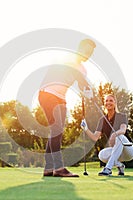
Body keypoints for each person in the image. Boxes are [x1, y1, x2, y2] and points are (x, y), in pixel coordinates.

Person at [39, 39, 96, 177]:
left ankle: (48, 168)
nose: (88, 55)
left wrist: (86, 91)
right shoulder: (67, 58)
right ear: (79, 48)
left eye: (90, 53)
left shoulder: (83, 69)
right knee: (57, 129)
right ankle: (58, 168)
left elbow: (81, 83)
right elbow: (74, 73)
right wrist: (85, 84)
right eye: (86, 51)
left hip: (61, 98)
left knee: (56, 130)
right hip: (47, 93)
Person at [81, 94, 133, 176]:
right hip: (117, 152)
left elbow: (123, 130)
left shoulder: (121, 116)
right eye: (106, 101)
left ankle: (108, 169)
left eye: (111, 100)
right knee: (101, 155)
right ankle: (120, 166)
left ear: (115, 103)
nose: (108, 102)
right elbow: (95, 137)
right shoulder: (102, 120)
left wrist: (114, 134)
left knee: (119, 137)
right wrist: (86, 129)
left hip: (129, 150)